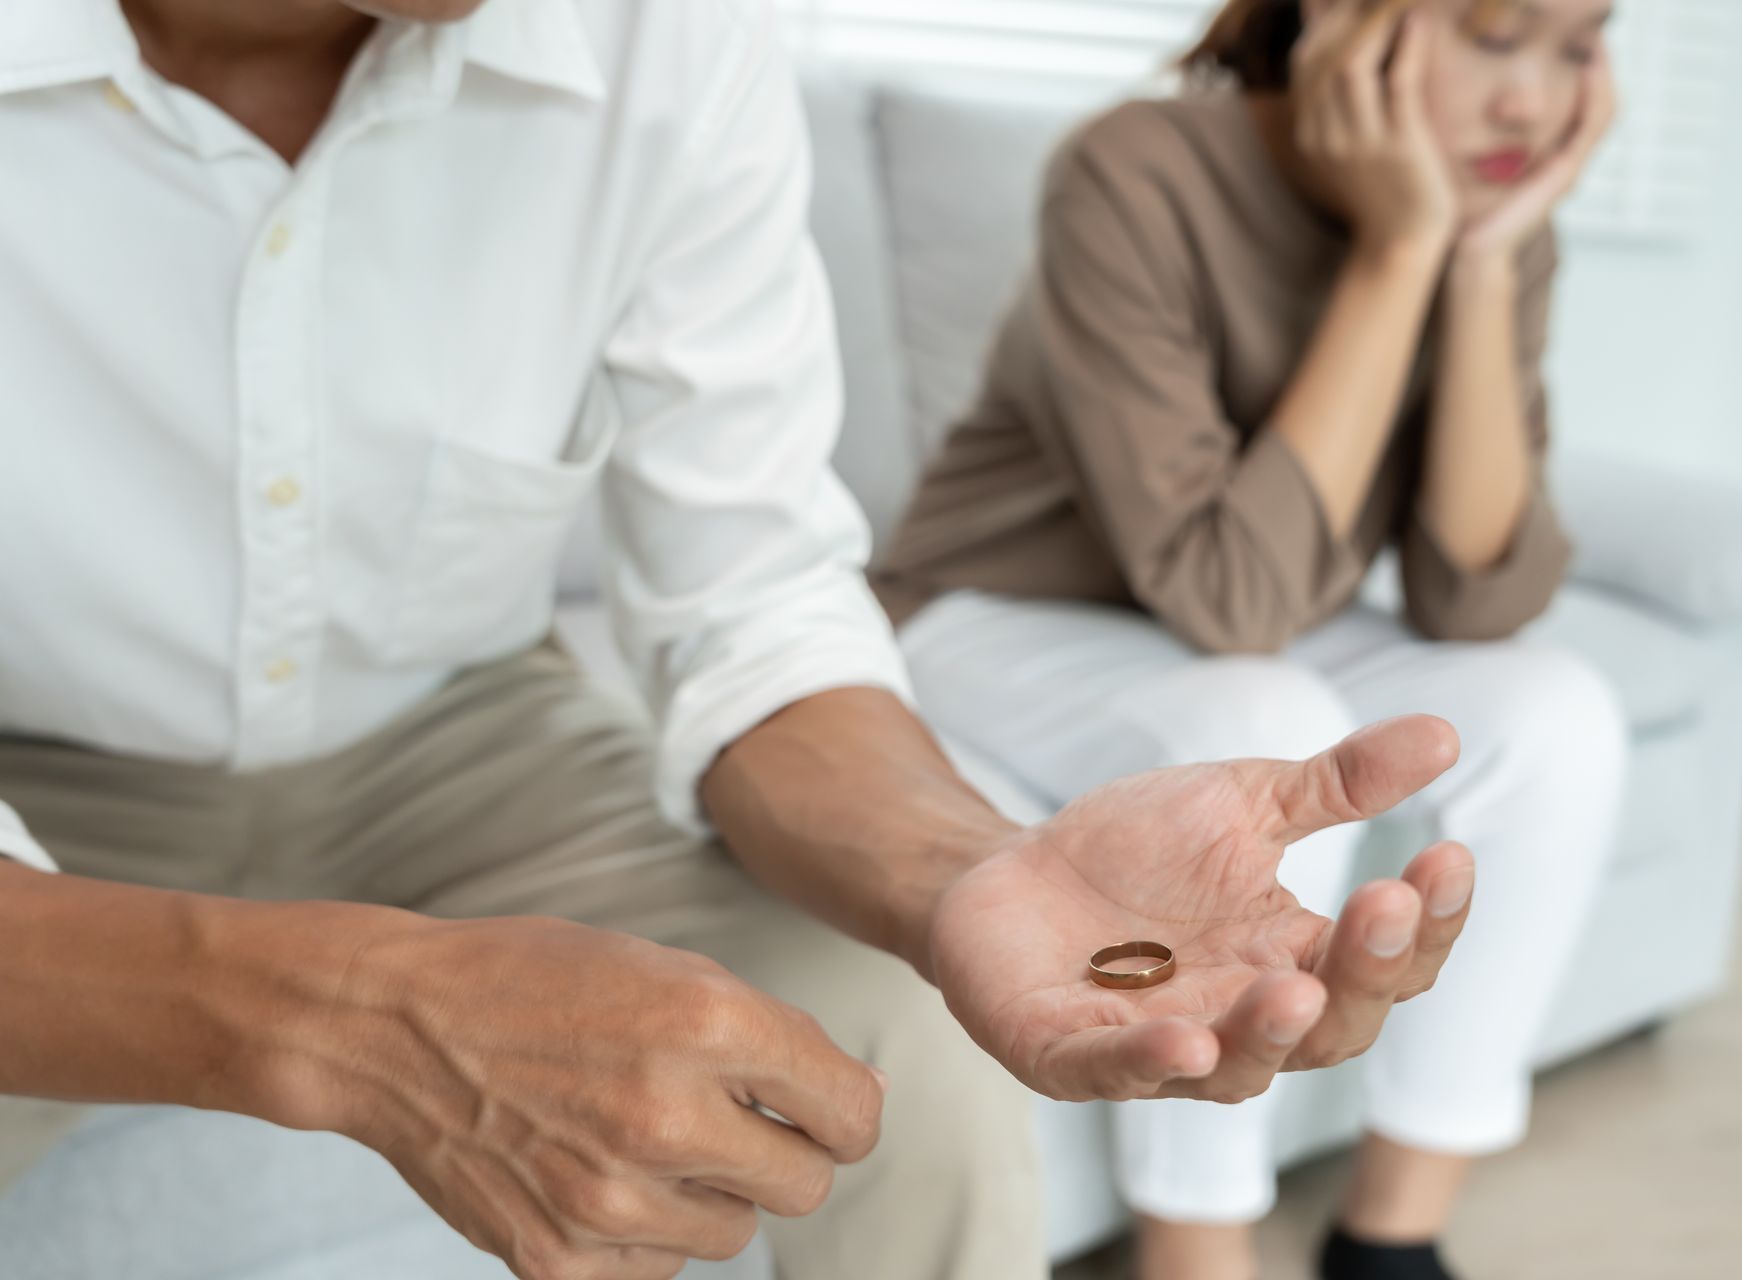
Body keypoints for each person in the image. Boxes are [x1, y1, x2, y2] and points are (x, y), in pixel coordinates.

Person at [0, 2, 1485, 1278]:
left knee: (907, 1044)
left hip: (466, 734)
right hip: (34, 775)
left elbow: (749, 603)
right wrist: (354, 1009)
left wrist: (968, 869)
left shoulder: (663, 40)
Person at [870, 1, 1628, 1278]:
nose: (1534, 102)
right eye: (1500, 34)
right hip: (994, 611)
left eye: (1577, 43)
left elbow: (1477, 601)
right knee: (1259, 719)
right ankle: (1197, 1243)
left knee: (1555, 708)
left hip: (1247, 631)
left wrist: (1482, 261)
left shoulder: (1493, 215)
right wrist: (1399, 251)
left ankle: (1393, 1237)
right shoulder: (1135, 171)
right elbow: (1232, 596)